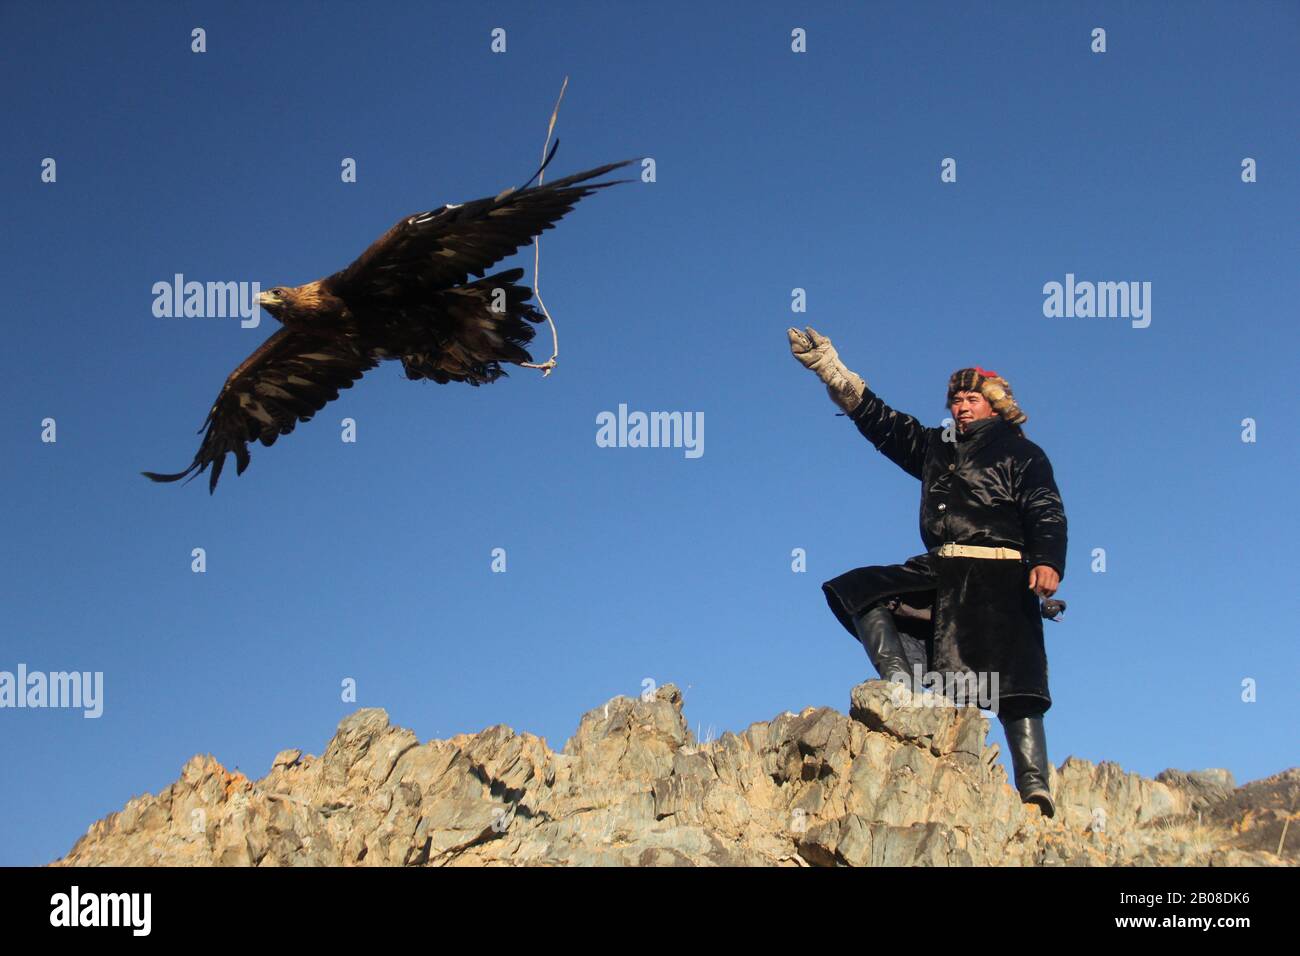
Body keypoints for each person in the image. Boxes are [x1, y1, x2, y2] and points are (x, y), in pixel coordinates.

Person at [788, 326, 1068, 818]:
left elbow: (1045, 509)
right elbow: (885, 424)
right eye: (955, 399)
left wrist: (1047, 560)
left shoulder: (1022, 453)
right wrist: (833, 372)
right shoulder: (937, 446)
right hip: (940, 569)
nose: (960, 406)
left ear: (995, 405)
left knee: (1015, 687)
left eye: (972, 399)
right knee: (863, 591)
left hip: (1000, 576)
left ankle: (1035, 788)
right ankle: (901, 693)